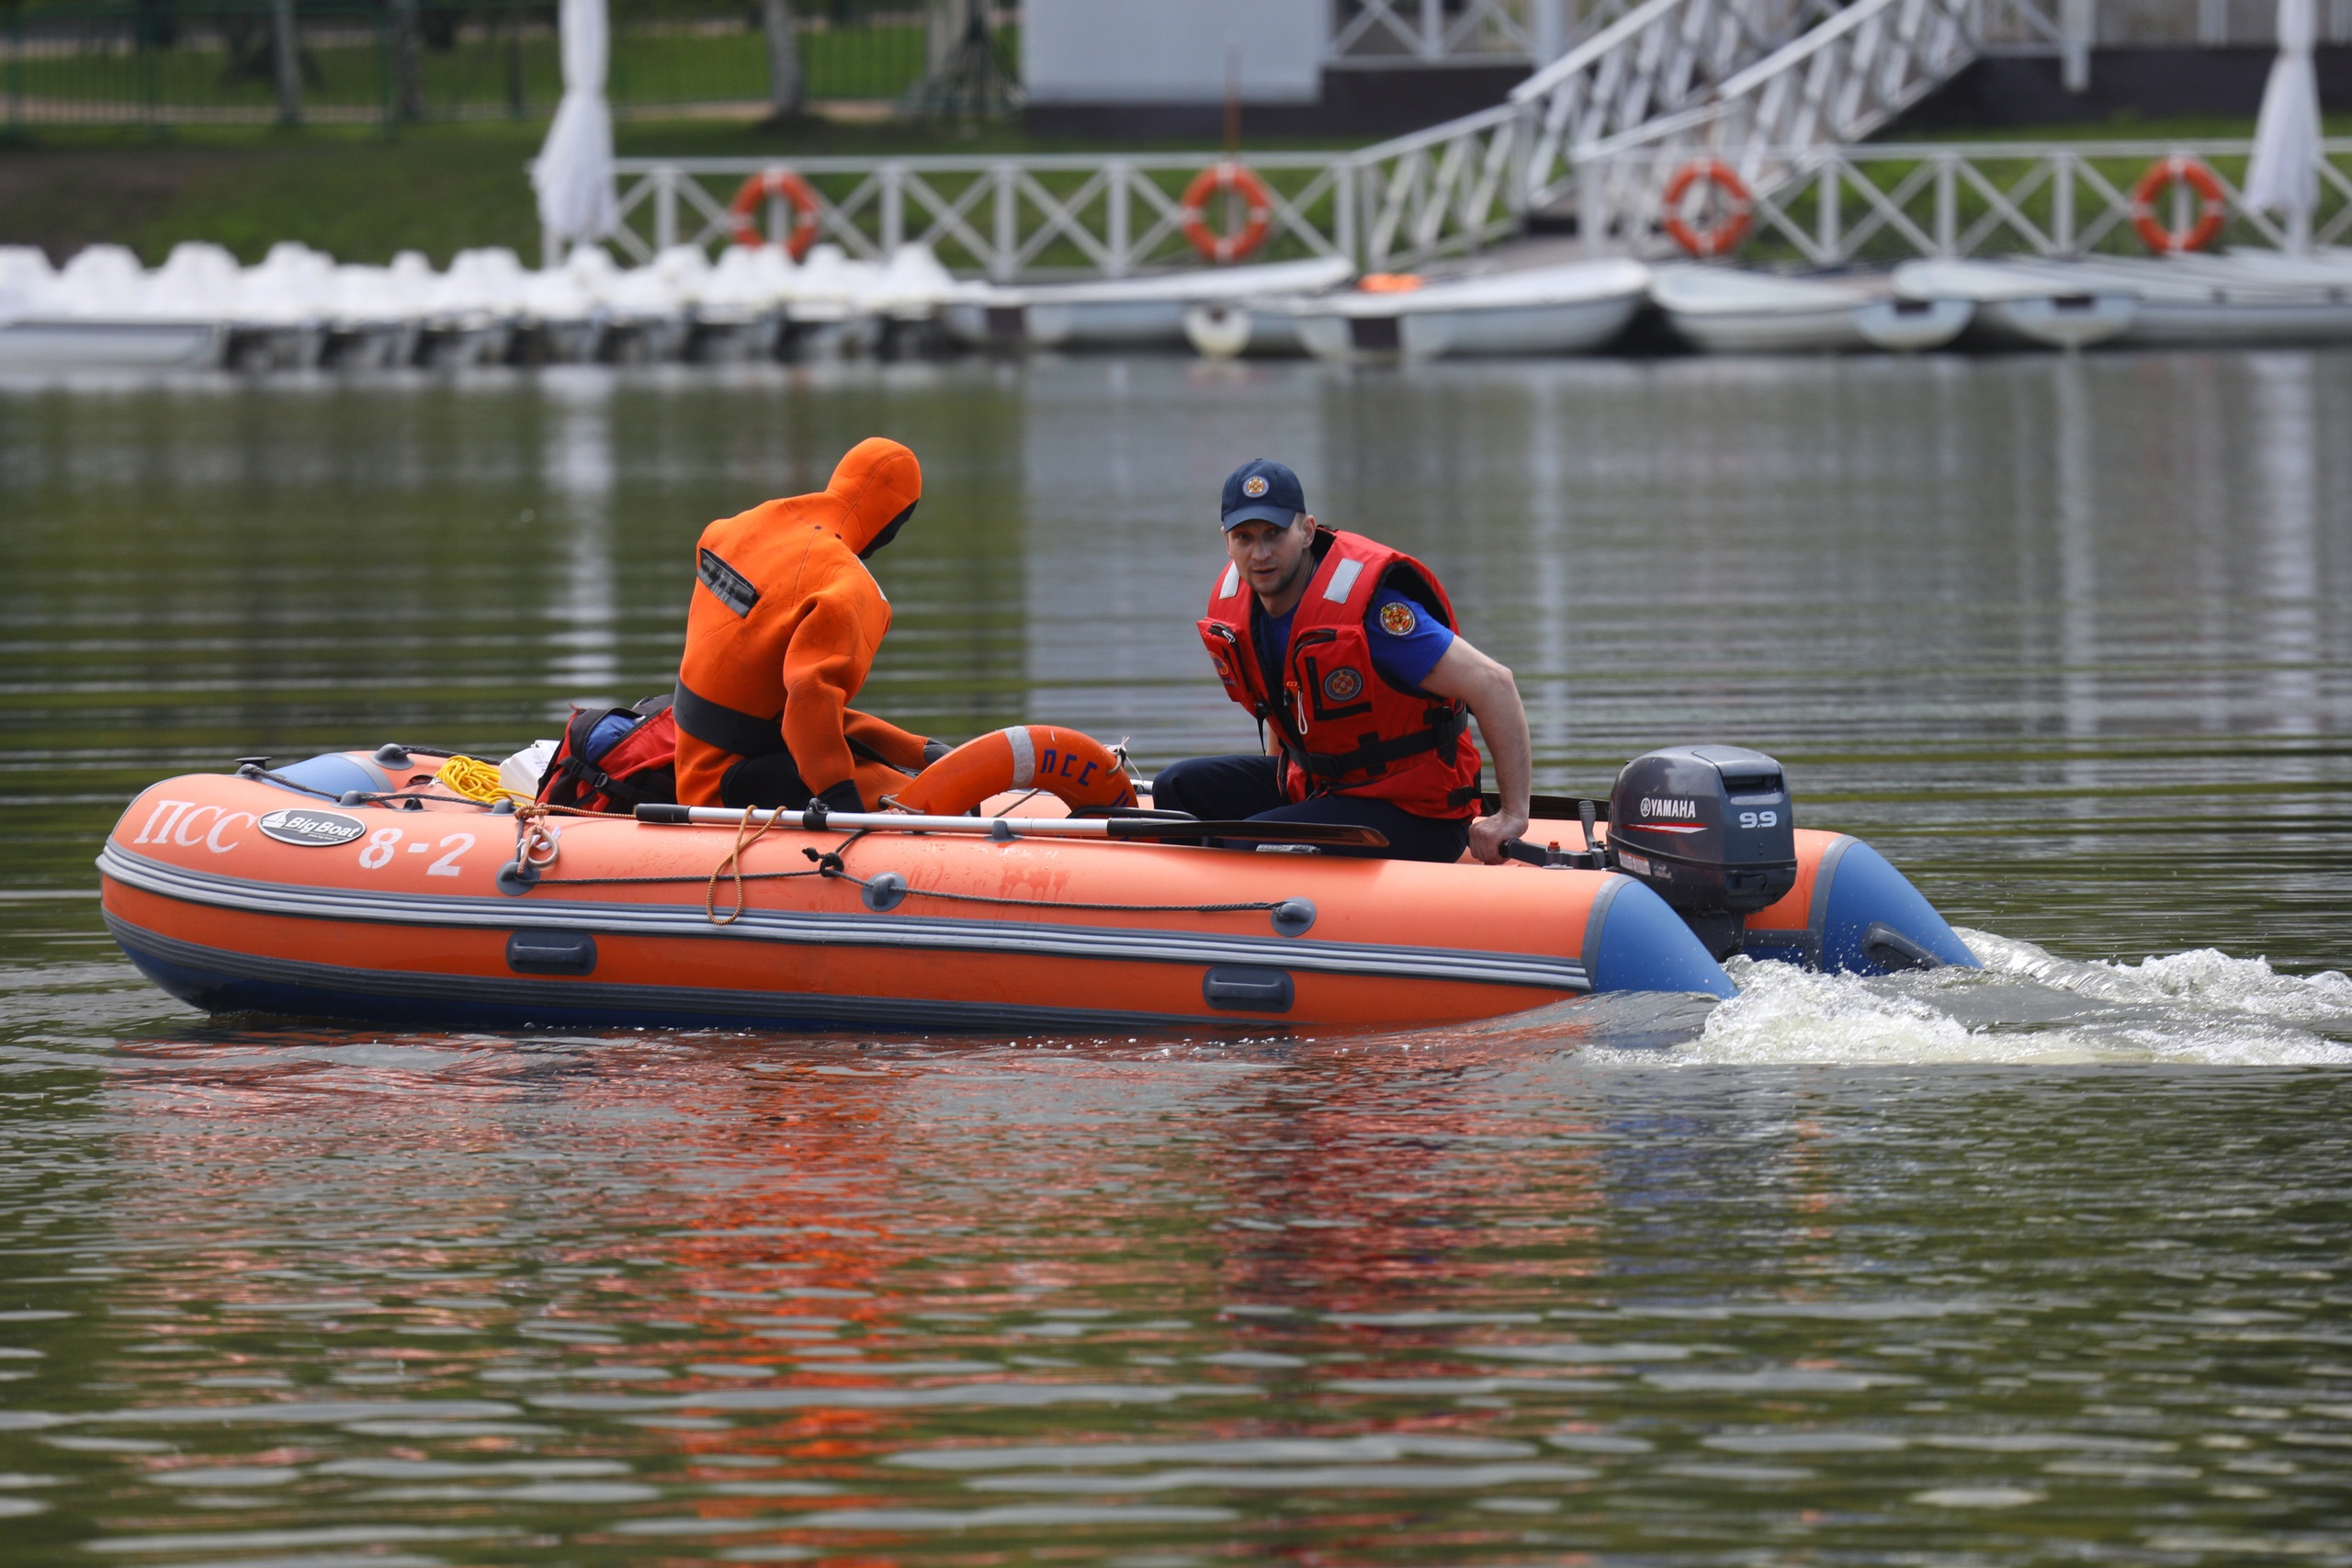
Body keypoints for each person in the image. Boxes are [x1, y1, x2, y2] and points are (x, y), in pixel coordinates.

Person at [1154, 458, 1532, 864]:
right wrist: (1283, 800)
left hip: (1415, 812)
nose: (1260, 553)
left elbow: (1494, 683)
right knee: (1174, 787)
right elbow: (1287, 703)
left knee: (1251, 846)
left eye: (1274, 534)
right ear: (1227, 541)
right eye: (1244, 537)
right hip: (1326, 787)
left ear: (1307, 532)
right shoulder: (1245, 611)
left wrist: (1511, 815)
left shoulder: (1370, 612)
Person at [673, 436, 953, 811]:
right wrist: (844, 809)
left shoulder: (742, 526)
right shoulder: (846, 586)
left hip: (690, 764)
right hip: (729, 786)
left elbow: (774, 702)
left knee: (928, 773)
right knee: (949, 803)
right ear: (897, 522)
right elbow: (808, 707)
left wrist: (922, 751)